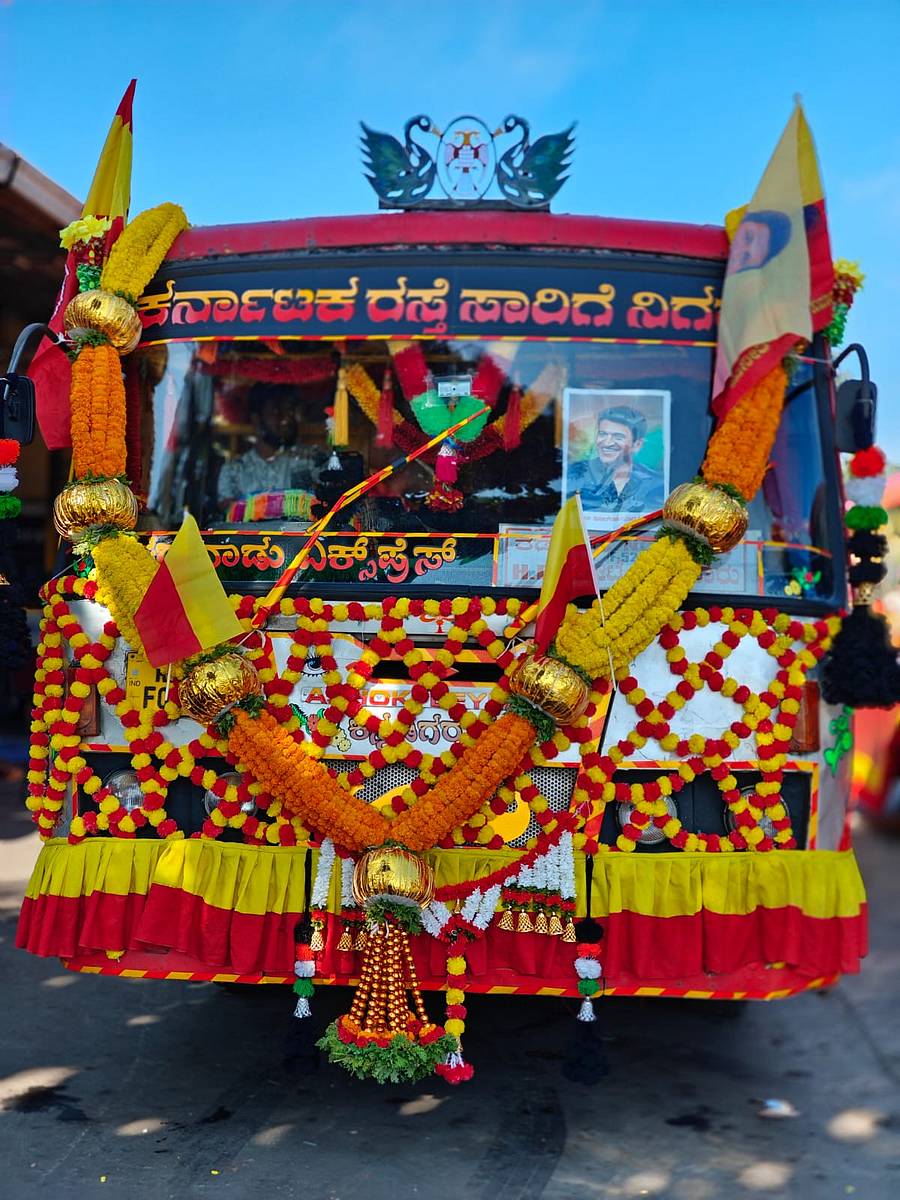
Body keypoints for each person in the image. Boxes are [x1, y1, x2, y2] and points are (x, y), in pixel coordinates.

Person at [217, 382, 324, 515]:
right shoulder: (234, 470)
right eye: (277, 412)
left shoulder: (314, 460)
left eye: (290, 410)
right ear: (257, 420)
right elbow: (228, 513)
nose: (286, 419)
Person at [567, 404, 664, 514]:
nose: (607, 443)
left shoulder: (655, 484)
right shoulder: (573, 474)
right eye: (602, 434)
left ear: (637, 444)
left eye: (618, 437)